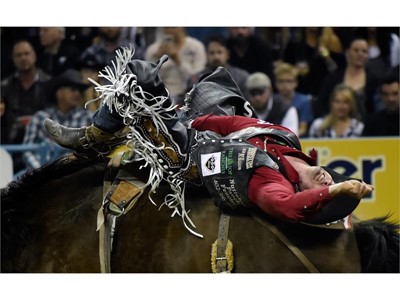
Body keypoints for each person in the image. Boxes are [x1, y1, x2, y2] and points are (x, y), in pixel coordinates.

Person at [44, 48, 373, 225]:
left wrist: (337, 191)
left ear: (306, 191)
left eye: (325, 188)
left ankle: (93, 138)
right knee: (217, 84)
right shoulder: (287, 138)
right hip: (203, 132)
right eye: (332, 180)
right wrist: (191, 119)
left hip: (191, 159)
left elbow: (287, 207)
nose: (328, 179)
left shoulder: (269, 182)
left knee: (139, 75)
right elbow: (235, 126)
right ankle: (108, 134)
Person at [23, 69, 92, 169]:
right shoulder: (40, 118)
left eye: (79, 90)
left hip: (74, 174)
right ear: (59, 93)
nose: (77, 93)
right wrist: (40, 171)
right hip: (41, 175)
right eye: (73, 89)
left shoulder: (88, 118)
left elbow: (91, 151)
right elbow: (27, 150)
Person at [145, 27, 207, 108]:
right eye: (167, 27)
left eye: (174, 27)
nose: (170, 30)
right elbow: (149, 82)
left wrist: (177, 60)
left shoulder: (196, 47)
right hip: (161, 97)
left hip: (188, 96)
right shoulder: (153, 50)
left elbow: (197, 79)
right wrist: (158, 60)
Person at [187, 34, 250, 99]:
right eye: (212, 53)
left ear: (228, 54)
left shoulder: (241, 77)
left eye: (219, 52)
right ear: (206, 55)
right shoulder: (197, 80)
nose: (216, 57)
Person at [273, 62, 314, 137]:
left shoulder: (304, 101)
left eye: (288, 81)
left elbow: (303, 129)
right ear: (276, 84)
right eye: (281, 81)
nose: (285, 85)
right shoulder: (271, 101)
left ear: (296, 83)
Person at [363, 69, 399, 136]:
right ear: (381, 96)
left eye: (395, 94)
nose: (390, 99)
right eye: (386, 94)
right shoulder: (372, 122)